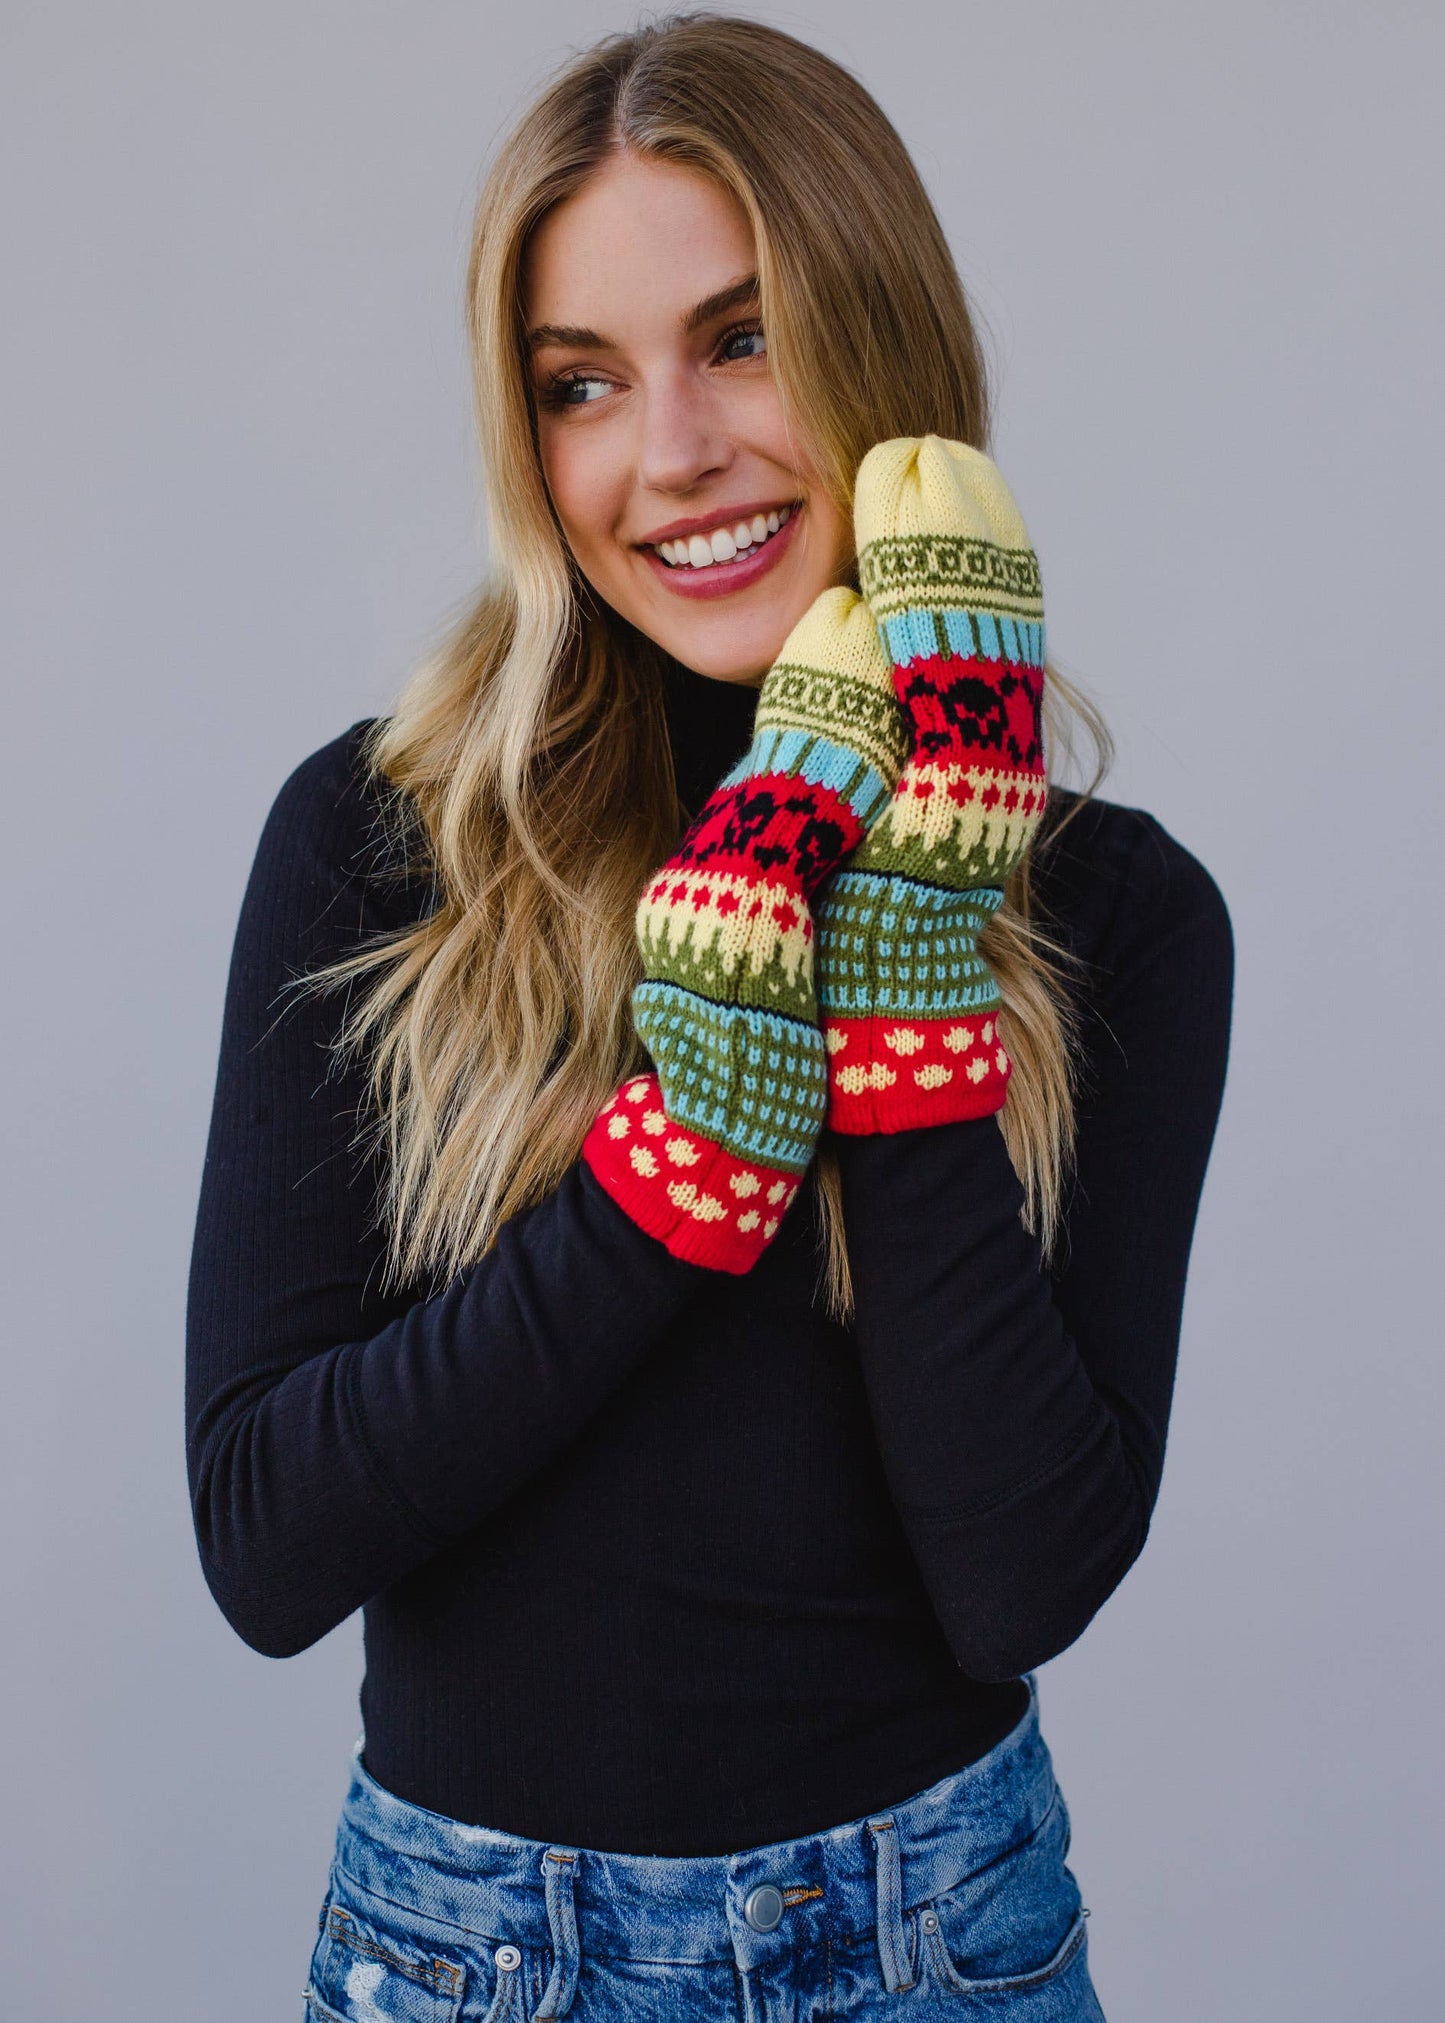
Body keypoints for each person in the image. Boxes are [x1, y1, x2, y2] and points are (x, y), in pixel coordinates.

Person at [185, 16, 1232, 2020]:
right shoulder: (384, 843)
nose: (670, 452)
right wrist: (686, 1168)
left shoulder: (1119, 916)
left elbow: (1023, 1581)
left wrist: (905, 966)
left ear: (884, 347)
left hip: (936, 1938)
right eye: (583, 384)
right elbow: (266, 1538)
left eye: (742, 341)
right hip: (472, 1955)